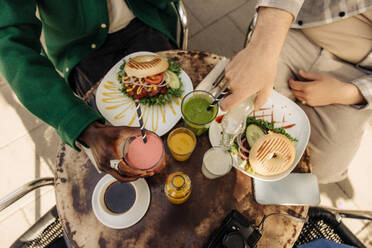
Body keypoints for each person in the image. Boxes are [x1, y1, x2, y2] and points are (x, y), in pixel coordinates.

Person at [0, 0, 180, 181]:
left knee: (180, 125)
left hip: (147, 17)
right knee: (126, 154)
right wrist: (85, 127)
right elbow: (10, 45)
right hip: (82, 50)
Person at [221, 1, 372, 183]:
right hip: (299, 27)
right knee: (240, 107)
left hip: (358, 74)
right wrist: (263, 50)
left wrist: (349, 92)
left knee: (325, 167)